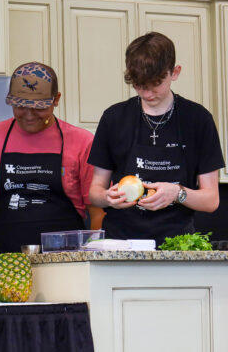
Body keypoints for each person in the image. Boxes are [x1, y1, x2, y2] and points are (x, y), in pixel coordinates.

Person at [0, 61, 104, 296]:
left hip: (65, 272)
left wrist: (95, 265)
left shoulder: (81, 142)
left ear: (57, 100)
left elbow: (97, 211)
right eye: (20, 106)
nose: (28, 114)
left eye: (39, 107)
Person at [88, 31, 224, 245]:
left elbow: (211, 200)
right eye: (139, 86)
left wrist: (177, 193)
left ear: (175, 72)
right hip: (121, 244)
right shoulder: (114, 118)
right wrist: (108, 198)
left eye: (156, 84)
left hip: (177, 245)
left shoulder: (198, 119)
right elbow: (94, 192)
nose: (148, 94)